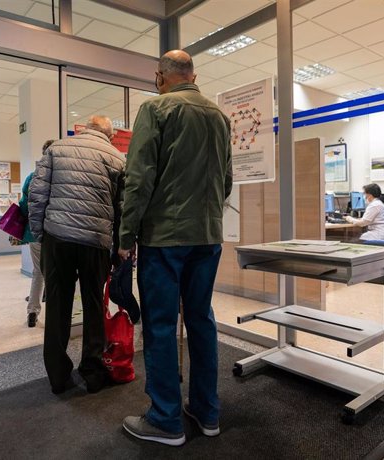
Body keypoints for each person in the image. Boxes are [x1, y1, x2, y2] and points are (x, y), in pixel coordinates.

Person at [118, 50, 233, 446]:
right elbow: (227, 180)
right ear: (193, 75)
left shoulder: (156, 109)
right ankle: (206, 410)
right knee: (201, 319)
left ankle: (166, 419)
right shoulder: (220, 117)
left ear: (159, 77)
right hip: (208, 236)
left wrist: (125, 235)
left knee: (162, 325)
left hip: (165, 238)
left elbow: (139, 179)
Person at [29, 115, 125, 394]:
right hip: (95, 241)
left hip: (57, 238)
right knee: (94, 305)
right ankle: (93, 373)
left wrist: (40, 233)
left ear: (83, 129)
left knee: (58, 304)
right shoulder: (117, 158)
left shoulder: (56, 149)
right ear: (109, 135)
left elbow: (38, 195)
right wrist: (118, 246)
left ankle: (59, 376)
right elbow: (121, 207)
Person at [19, 140, 55, 328]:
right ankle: (57, 315)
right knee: (57, 273)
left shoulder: (32, 177)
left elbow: (24, 205)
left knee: (38, 272)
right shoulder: (59, 177)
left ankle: (33, 311)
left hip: (35, 233)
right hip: (56, 233)